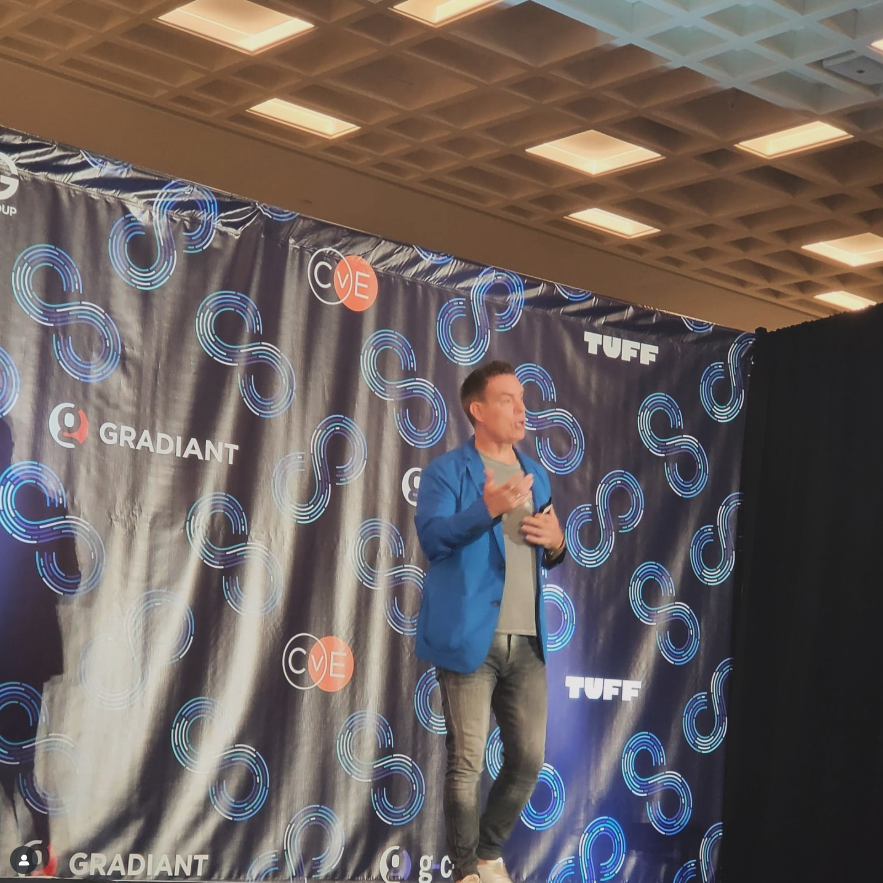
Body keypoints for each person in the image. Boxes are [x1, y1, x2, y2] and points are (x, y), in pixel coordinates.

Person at [414, 361, 567, 883]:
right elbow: (433, 540)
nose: (522, 409)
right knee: (467, 764)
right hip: (468, 638)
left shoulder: (536, 473)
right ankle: (464, 873)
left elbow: (544, 543)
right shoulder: (446, 472)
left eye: (522, 398)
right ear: (478, 410)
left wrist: (558, 543)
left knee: (528, 760)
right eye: (508, 399)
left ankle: (486, 851)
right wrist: (484, 509)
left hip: (526, 639)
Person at [0, 417, 72, 877]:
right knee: (18, 760)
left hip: (21, 653)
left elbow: (69, 578)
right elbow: (68, 577)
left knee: (19, 760)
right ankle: (33, 851)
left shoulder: (37, 500)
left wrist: (60, 528)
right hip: (23, 654)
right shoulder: (38, 499)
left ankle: (34, 853)